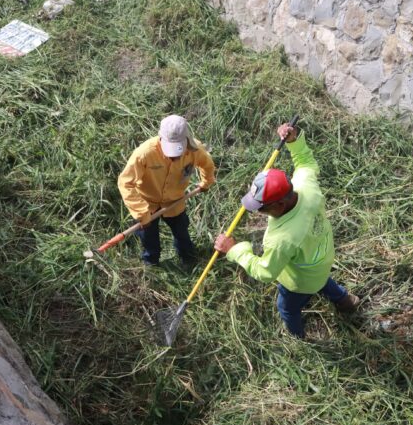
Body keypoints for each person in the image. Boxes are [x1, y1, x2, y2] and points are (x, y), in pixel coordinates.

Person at [214, 122, 359, 339]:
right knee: (323, 281)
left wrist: (235, 250)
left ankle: (298, 337)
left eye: (261, 208)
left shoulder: (282, 238)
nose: (258, 212)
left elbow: (265, 272)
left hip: (299, 281)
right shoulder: (305, 185)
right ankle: (346, 302)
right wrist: (294, 141)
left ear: (279, 205)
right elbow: (306, 162)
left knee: (288, 308)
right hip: (323, 256)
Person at [118, 115, 216, 266]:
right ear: (161, 138)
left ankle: (188, 258)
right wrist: (140, 212)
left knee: (182, 232)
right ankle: (151, 262)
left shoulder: (195, 150)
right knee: (148, 237)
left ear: (186, 141)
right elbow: (125, 183)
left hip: (175, 201)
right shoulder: (144, 154)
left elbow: (207, 165)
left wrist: (206, 182)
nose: (173, 158)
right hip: (147, 204)